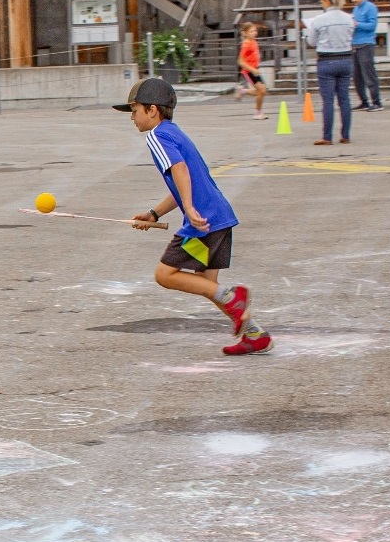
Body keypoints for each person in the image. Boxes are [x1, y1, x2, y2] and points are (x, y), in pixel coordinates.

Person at [114, 78, 272, 356]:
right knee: (207, 283)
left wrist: (189, 208)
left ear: (152, 110)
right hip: (219, 216)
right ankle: (255, 334)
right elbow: (182, 182)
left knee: (165, 274)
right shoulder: (174, 132)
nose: (132, 117)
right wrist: (154, 213)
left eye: (135, 110)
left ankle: (236, 300)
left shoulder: (157, 135)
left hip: (203, 220)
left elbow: (180, 170)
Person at [303, 0, 356, 146]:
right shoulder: (348, 18)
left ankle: (327, 136)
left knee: (328, 100)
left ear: (326, 1)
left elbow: (312, 41)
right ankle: (345, 135)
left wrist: (307, 37)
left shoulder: (319, 20)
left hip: (327, 60)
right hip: (346, 59)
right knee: (344, 99)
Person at [350, 0, 382, 112]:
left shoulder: (370, 7)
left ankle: (376, 102)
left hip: (366, 44)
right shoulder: (355, 9)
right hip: (355, 44)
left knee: (368, 74)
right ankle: (364, 101)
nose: (354, 0)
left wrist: (357, 24)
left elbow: (372, 25)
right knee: (356, 76)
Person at [233, 22, 268, 119]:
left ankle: (242, 91)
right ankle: (257, 113)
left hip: (255, 70)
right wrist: (252, 69)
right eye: (251, 31)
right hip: (249, 72)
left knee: (262, 91)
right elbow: (240, 61)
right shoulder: (245, 44)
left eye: (255, 31)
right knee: (261, 91)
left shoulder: (253, 41)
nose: (254, 33)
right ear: (245, 33)